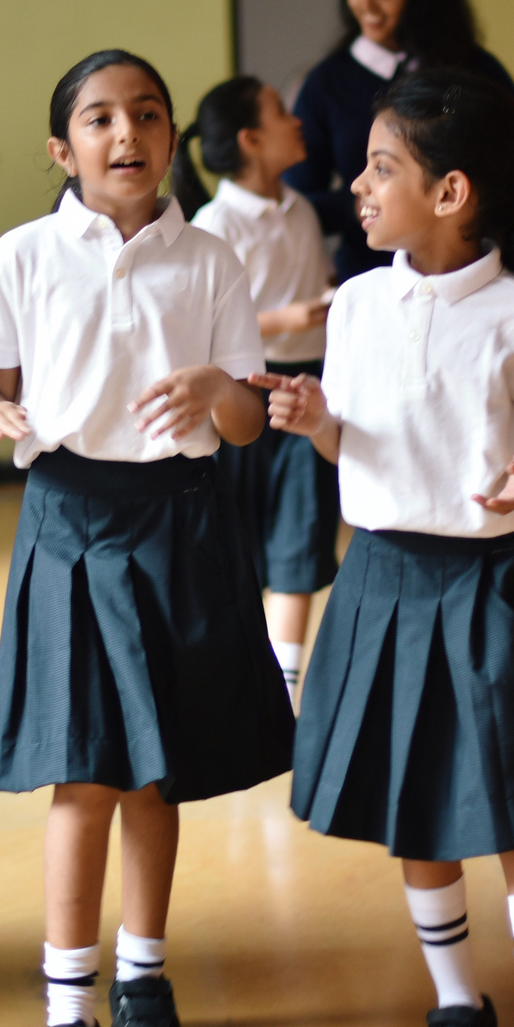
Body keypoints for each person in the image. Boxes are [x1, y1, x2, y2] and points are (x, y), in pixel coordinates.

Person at [0, 51, 296, 1027]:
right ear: (62, 149)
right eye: (100, 118)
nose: (127, 134)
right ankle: (68, 1004)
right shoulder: (21, 252)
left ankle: (143, 979)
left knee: (157, 773)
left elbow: (244, 423)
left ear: (170, 138)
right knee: (83, 774)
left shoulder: (211, 259)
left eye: (146, 114)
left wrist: (213, 386)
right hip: (66, 517)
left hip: (179, 521)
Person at [265, 70, 514, 1027]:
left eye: (378, 168)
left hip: (491, 586)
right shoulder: (356, 305)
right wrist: (319, 424)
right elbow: (347, 447)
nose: (354, 185)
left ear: (450, 193)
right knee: (417, 812)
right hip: (381, 580)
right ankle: (459, 1000)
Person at [172, 77, 338, 697]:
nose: (297, 121)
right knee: (237, 542)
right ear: (249, 139)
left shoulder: (302, 210)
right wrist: (282, 319)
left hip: (302, 389)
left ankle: (284, 687)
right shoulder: (215, 225)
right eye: (280, 112)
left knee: (300, 538)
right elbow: (203, 323)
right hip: (241, 394)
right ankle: (240, 675)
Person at [284, 0, 514, 284]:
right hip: (369, 275)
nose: (368, 6)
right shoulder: (327, 82)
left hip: (470, 276)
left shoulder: (474, 71)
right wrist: (361, 201)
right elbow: (296, 198)